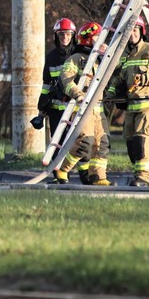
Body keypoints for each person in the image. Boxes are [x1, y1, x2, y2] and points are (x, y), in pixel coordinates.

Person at [106, 16, 149, 187]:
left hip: (147, 104)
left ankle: (144, 178)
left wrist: (146, 78)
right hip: (130, 106)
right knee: (131, 145)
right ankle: (137, 173)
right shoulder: (123, 54)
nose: (132, 34)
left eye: (135, 30)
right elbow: (117, 78)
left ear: (141, 32)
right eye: (130, 30)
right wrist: (111, 95)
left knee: (141, 141)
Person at [33, 17, 91, 184]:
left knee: (80, 141)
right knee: (57, 142)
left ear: (73, 36)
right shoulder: (51, 57)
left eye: (67, 34)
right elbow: (46, 83)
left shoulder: (79, 55)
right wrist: (41, 109)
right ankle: (57, 174)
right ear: (56, 36)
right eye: (61, 34)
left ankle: (84, 175)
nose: (64, 37)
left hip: (75, 107)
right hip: (57, 109)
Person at [56, 21, 113, 186]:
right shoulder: (76, 59)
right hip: (82, 108)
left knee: (102, 143)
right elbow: (66, 79)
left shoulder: (101, 60)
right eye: (97, 37)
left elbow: (116, 70)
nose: (101, 41)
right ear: (88, 39)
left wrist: (106, 54)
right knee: (85, 143)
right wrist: (78, 95)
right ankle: (62, 169)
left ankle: (98, 176)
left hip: (98, 110)